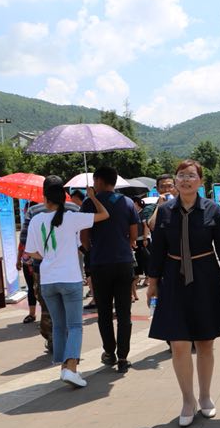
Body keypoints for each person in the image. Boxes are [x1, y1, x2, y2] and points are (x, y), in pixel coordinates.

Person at [147, 160, 220, 427]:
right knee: (178, 343)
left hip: (206, 277)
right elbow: (157, 249)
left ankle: (205, 396)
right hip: (173, 279)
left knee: (205, 342)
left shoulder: (212, 209)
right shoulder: (165, 211)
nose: (185, 180)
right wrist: (152, 282)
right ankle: (188, 400)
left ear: (201, 181)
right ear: (175, 181)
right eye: (181, 176)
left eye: (191, 176)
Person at [25, 178, 110, 387]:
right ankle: (71, 368)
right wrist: (93, 197)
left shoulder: (36, 220)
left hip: (48, 280)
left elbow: (31, 252)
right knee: (74, 326)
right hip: (70, 279)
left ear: (45, 198)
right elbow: (104, 215)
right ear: (64, 198)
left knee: (58, 325)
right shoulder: (72, 217)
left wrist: (47, 258)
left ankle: (64, 367)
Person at [80, 166, 140, 373]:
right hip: (123, 262)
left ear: (98, 181)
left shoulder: (89, 203)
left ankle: (109, 352)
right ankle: (123, 357)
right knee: (124, 312)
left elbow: (84, 237)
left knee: (104, 312)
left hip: (100, 264)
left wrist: (93, 250)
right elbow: (134, 235)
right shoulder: (127, 202)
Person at [17, 190, 80, 352]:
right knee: (71, 311)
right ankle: (69, 345)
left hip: (43, 272)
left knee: (48, 309)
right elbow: (84, 238)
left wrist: (45, 257)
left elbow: (24, 241)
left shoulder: (33, 212)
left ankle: (54, 341)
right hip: (70, 271)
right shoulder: (74, 209)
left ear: (45, 196)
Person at [130, 196, 150, 300]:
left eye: (133, 203)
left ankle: (147, 277)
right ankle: (137, 277)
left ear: (137, 203)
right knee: (138, 260)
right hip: (136, 240)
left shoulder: (143, 213)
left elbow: (146, 226)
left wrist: (145, 238)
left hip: (143, 239)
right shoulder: (134, 213)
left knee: (145, 259)